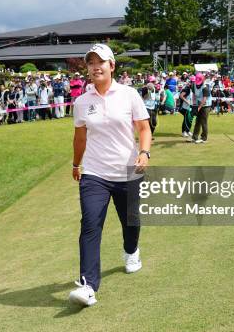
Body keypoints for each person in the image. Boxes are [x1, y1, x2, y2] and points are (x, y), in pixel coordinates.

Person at [69, 43, 151, 307]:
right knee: (91, 223)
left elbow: (144, 128)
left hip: (128, 170)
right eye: (91, 63)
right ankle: (88, 285)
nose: (95, 67)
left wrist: (145, 152)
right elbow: (80, 137)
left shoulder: (128, 95)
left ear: (112, 65)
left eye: (100, 62)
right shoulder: (82, 102)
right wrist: (75, 164)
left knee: (131, 222)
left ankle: (131, 251)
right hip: (94, 173)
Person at [188, 73, 211, 144]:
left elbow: (204, 100)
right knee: (197, 121)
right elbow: (194, 95)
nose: (198, 84)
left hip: (206, 105)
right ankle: (194, 137)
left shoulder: (205, 87)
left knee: (203, 121)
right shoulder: (193, 85)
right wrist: (195, 105)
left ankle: (204, 138)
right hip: (198, 103)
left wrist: (199, 108)